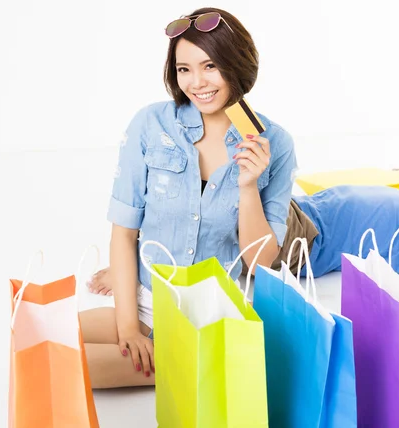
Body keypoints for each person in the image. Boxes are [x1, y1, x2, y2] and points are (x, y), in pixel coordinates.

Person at [80, 7, 297, 389]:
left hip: (214, 313)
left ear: (236, 63)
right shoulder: (151, 124)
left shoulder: (274, 142)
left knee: (67, 374)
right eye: (184, 69)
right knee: (36, 344)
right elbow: (124, 233)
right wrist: (129, 327)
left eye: (210, 65)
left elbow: (260, 260)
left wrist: (248, 187)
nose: (197, 82)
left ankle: (200, 362)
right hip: (148, 300)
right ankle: (190, 364)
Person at [89, 182, 399, 336]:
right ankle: (137, 261)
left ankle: (136, 266)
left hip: (299, 235)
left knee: (220, 189)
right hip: (292, 208)